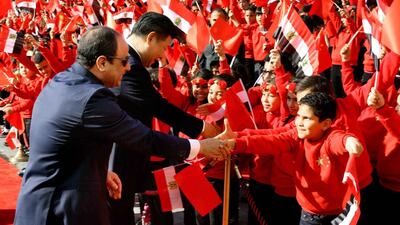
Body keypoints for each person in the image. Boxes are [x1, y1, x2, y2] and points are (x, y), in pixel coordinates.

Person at [13, 26, 228, 225]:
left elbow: (66, 143)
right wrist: (200, 147)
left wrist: (98, 171)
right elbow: (145, 138)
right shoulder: (92, 99)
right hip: (63, 209)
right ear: (102, 63)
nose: (128, 68)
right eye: (124, 61)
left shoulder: (63, 81)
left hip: (42, 202)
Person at [109, 12, 222, 225]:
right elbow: (158, 107)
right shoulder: (130, 66)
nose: (163, 54)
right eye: (164, 47)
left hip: (125, 158)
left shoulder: (130, 61)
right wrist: (202, 130)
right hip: (116, 160)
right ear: (151, 38)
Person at [223, 92, 367, 225]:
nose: (299, 122)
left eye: (306, 118)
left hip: (339, 213)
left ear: (326, 124)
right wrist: (236, 143)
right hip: (309, 214)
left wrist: (348, 142)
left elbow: (339, 140)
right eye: (298, 116)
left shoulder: (331, 136)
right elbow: (270, 141)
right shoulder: (295, 136)